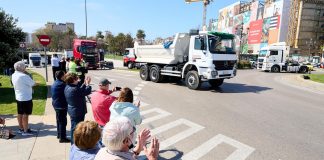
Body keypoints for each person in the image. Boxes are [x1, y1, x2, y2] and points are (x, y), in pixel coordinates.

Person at [94, 116, 159, 160]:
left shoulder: (103, 151)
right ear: (126, 141)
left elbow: (127, 155)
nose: (134, 131)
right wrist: (152, 158)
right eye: (133, 129)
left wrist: (139, 148)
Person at [64, 72, 92, 144]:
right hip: (77, 111)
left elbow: (80, 90)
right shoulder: (74, 89)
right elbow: (86, 91)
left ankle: (74, 143)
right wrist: (88, 84)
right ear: (73, 80)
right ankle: (75, 144)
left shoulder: (68, 87)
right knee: (76, 129)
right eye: (76, 78)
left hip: (73, 110)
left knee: (74, 127)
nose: (78, 80)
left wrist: (84, 84)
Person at [11, 61, 36, 136]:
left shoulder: (14, 74)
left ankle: (21, 128)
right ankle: (25, 131)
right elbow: (33, 83)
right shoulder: (24, 76)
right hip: (26, 97)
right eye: (24, 66)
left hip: (19, 96)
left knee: (20, 113)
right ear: (21, 68)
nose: (25, 67)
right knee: (26, 114)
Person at [51, 70, 70, 143]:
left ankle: (59, 134)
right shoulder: (62, 84)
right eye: (64, 75)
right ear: (62, 76)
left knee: (59, 120)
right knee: (63, 122)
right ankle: (62, 138)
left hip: (56, 104)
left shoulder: (56, 82)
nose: (65, 76)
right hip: (61, 105)